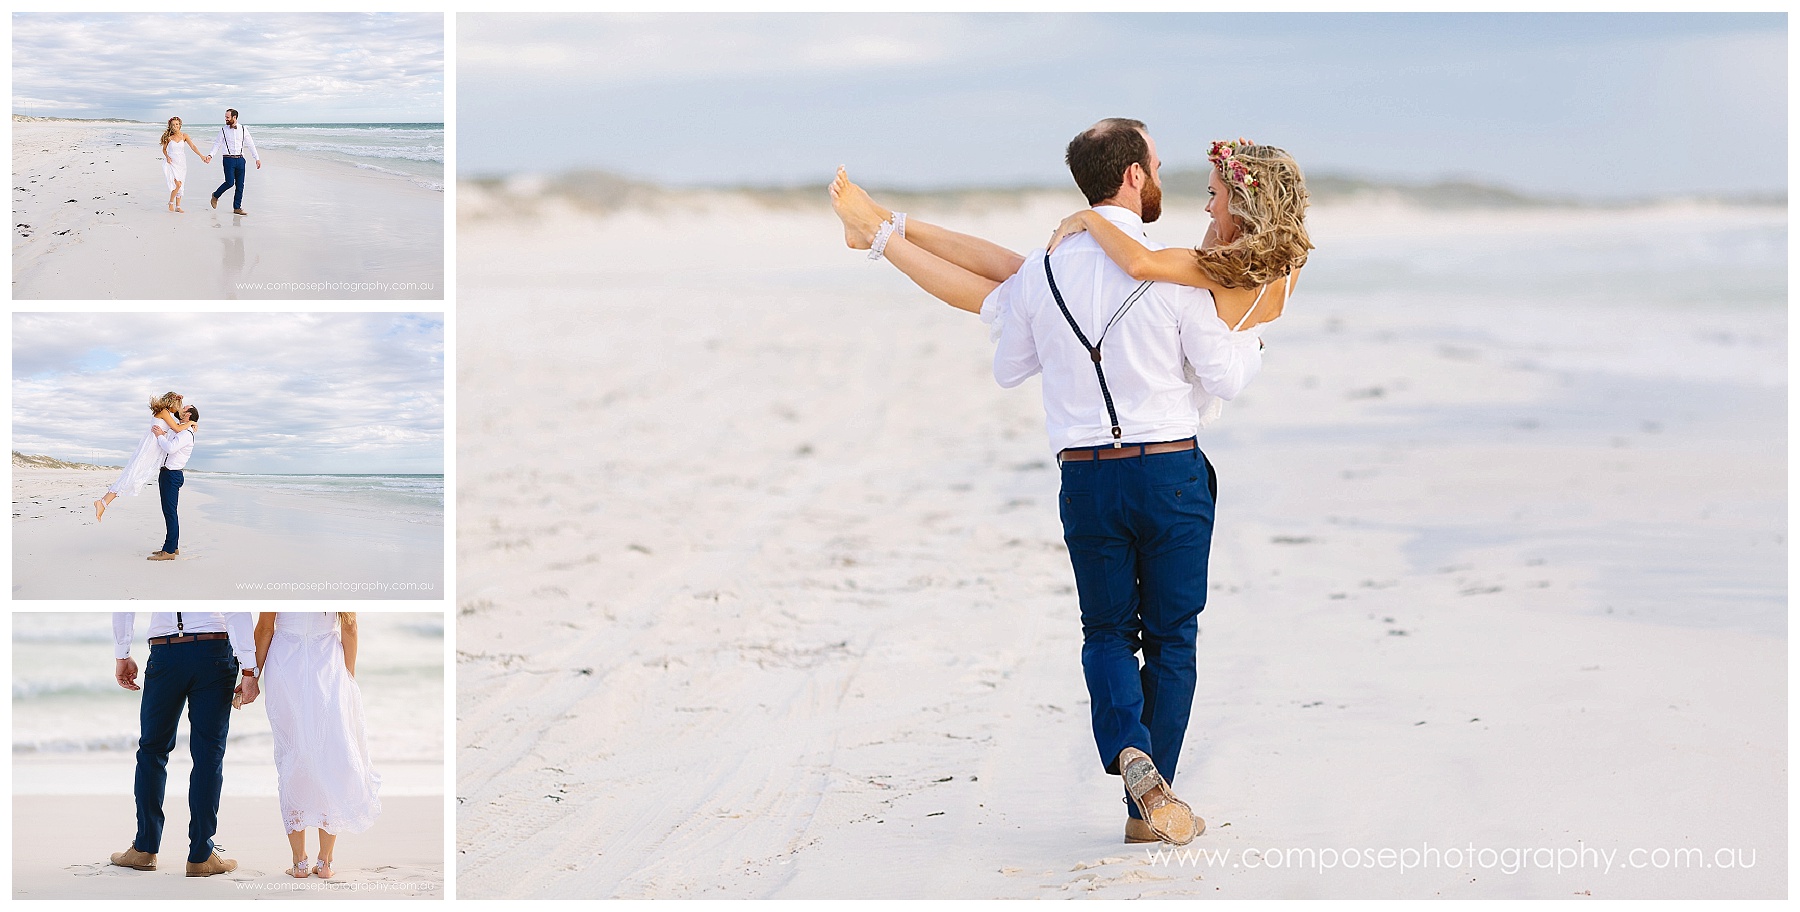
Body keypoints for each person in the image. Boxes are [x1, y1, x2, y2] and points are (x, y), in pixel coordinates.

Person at [828, 119, 1312, 845]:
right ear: (1135, 178)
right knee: (1172, 640)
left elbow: (1008, 350)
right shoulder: (1178, 271)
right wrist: (1253, 339)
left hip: (1086, 477)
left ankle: (1130, 756)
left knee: (1107, 633)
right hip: (1172, 473)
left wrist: (898, 240)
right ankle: (1148, 807)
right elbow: (1222, 376)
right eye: (1156, 162)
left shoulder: (1047, 268)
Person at [109, 612, 260, 877]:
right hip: (213, 651)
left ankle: (144, 849)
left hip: (165, 653)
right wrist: (250, 669)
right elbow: (235, 610)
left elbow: (125, 603)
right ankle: (201, 856)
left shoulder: (151, 567)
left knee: (152, 751)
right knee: (208, 756)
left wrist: (122, 653)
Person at [254, 612, 382, 879]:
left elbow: (265, 628)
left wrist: (252, 675)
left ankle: (299, 862)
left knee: (292, 756)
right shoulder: (337, 578)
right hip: (328, 664)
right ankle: (325, 862)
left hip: (285, 664)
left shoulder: (278, 580)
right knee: (332, 754)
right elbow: (350, 627)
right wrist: (348, 677)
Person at [93, 393, 194, 524]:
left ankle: (103, 502)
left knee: (132, 475)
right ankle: (102, 503)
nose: (179, 410)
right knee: (131, 475)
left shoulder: (165, 413)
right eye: (178, 406)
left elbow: (175, 430)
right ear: (172, 403)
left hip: (153, 449)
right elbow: (178, 428)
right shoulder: (164, 412)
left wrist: (167, 432)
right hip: (150, 450)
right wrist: (191, 423)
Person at [147, 404, 198, 561]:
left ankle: (169, 551)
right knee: (170, 512)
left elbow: (170, 448)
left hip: (172, 475)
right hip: (169, 474)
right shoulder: (182, 431)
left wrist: (159, 436)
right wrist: (163, 434)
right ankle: (172, 547)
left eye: (185, 409)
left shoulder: (187, 434)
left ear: (189, 415)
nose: (181, 410)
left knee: (170, 513)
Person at [208, 108, 261, 216]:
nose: (226, 119)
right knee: (230, 182)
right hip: (228, 159)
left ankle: (237, 207)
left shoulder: (243, 129)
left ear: (234, 117)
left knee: (240, 185)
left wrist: (257, 158)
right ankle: (215, 195)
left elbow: (250, 144)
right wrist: (210, 155)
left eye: (227, 117)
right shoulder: (223, 130)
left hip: (241, 159)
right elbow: (217, 144)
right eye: (225, 117)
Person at [159, 117, 211, 213]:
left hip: (181, 163)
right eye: (173, 125)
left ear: (180, 125)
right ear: (170, 126)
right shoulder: (168, 138)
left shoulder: (184, 136)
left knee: (181, 184)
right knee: (177, 184)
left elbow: (193, 146)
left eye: (177, 124)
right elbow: (164, 149)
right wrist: (167, 157)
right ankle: (171, 202)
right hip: (171, 163)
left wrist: (201, 156)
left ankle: (178, 206)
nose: (175, 126)